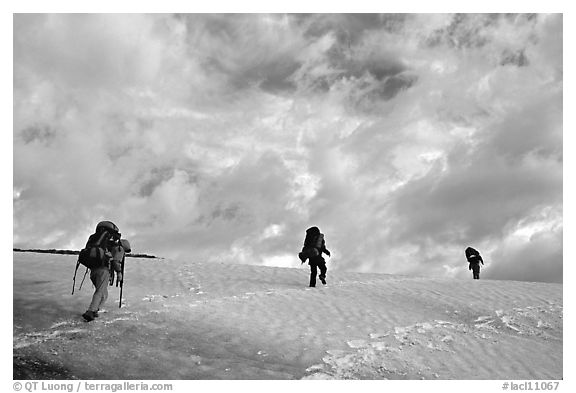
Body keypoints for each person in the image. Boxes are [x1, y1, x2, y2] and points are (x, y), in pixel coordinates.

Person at [81, 222, 123, 322]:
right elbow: (115, 262)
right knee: (100, 292)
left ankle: (95, 310)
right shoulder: (113, 245)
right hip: (103, 270)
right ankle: (91, 311)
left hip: (93, 270)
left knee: (104, 294)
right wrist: (119, 272)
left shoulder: (95, 239)